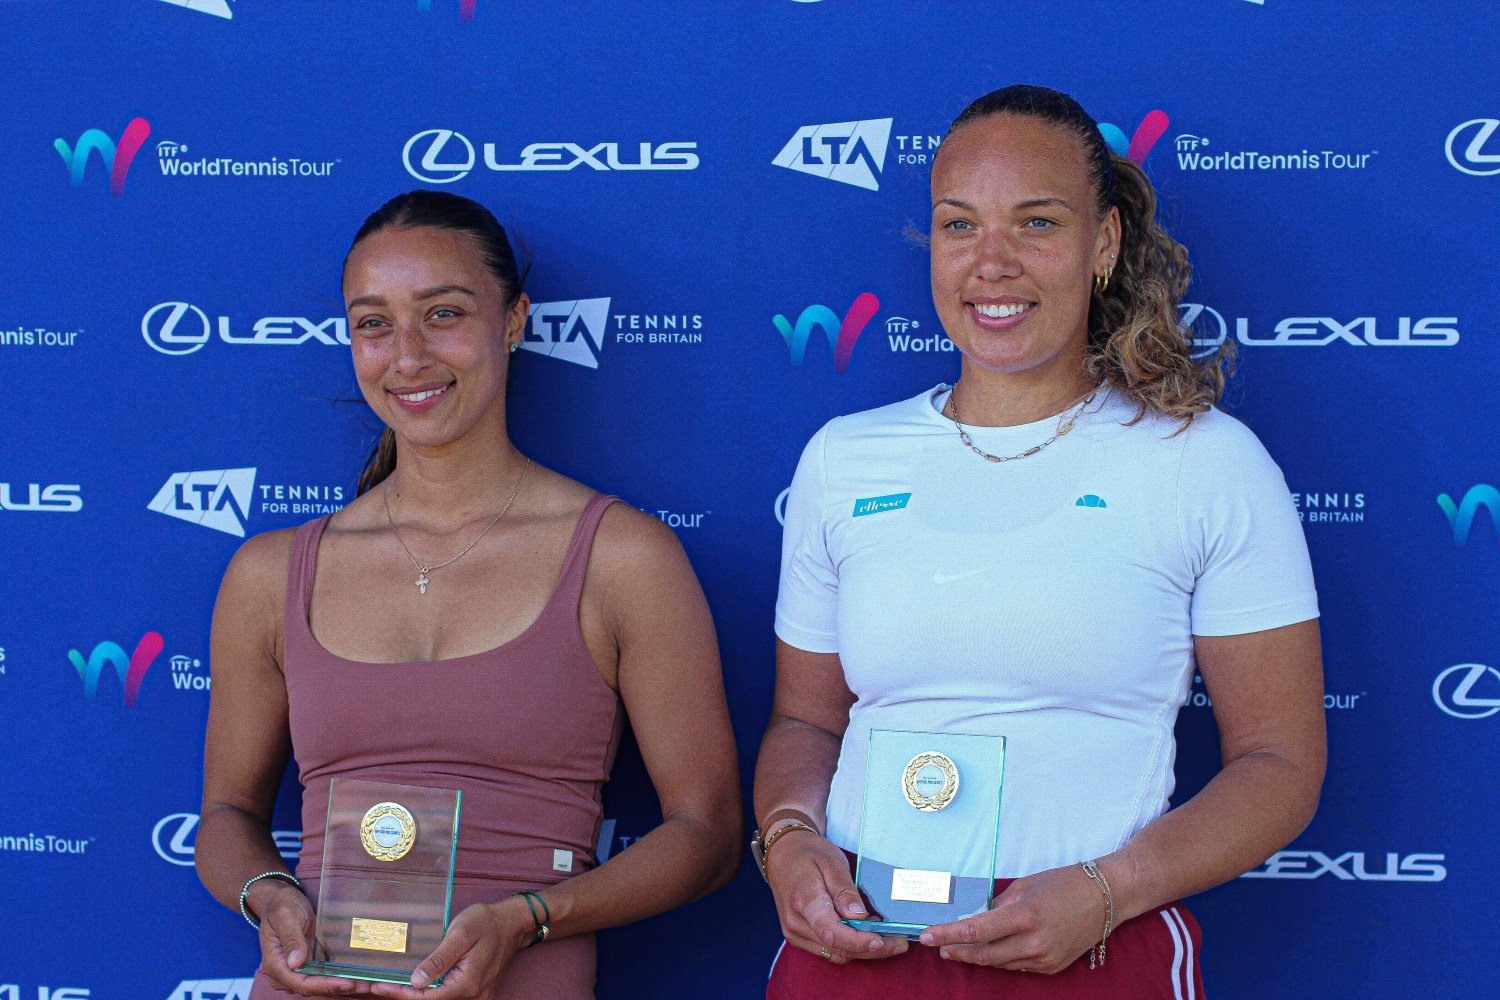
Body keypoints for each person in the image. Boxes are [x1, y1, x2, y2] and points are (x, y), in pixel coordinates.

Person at [754, 84, 1325, 998]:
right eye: (957, 225)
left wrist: (1108, 891)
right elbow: (806, 721)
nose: (992, 264)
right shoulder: (843, 458)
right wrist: (790, 840)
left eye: (1037, 224)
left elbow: (1281, 763)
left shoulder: (1205, 461)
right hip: (858, 947)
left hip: (1093, 945)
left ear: (1103, 244)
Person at [194, 190, 742, 1000]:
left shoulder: (623, 558)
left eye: (443, 313)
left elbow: (710, 832)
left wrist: (527, 918)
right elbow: (227, 816)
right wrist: (267, 896)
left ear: (514, 321)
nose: (407, 356)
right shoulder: (270, 572)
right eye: (373, 324)